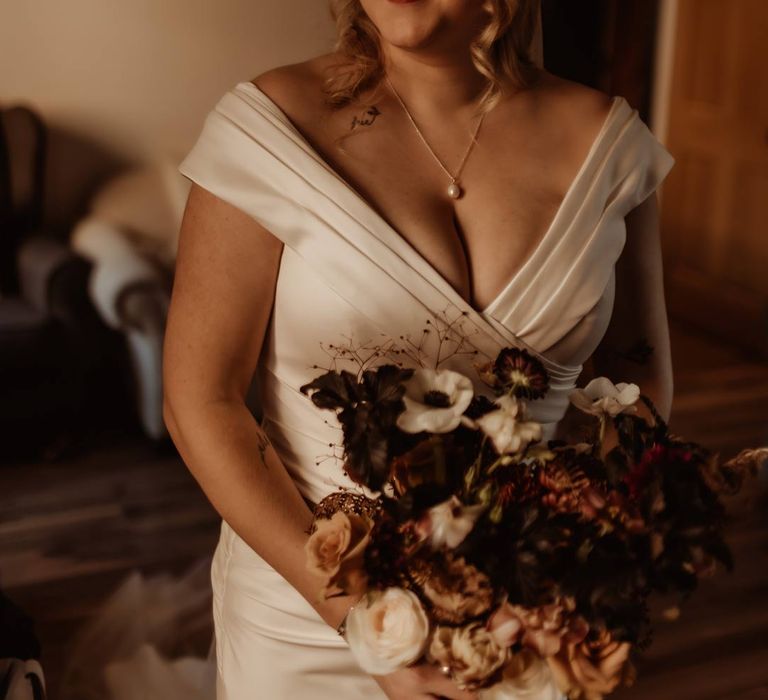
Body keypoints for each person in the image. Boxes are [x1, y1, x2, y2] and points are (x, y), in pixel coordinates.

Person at [164, 0, 675, 698]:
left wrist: (589, 565)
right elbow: (202, 400)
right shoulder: (267, 128)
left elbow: (635, 379)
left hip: (518, 619)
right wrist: (362, 621)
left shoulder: (612, 146)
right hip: (304, 612)